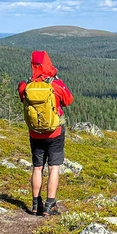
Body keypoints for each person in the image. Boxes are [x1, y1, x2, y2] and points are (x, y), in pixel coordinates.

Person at [18, 51, 73, 216]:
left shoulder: (25, 86)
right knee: (54, 167)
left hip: (35, 133)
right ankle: (50, 206)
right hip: (54, 133)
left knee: (37, 168)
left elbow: (22, 97)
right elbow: (68, 100)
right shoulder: (55, 85)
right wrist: (57, 80)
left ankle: (35, 205)